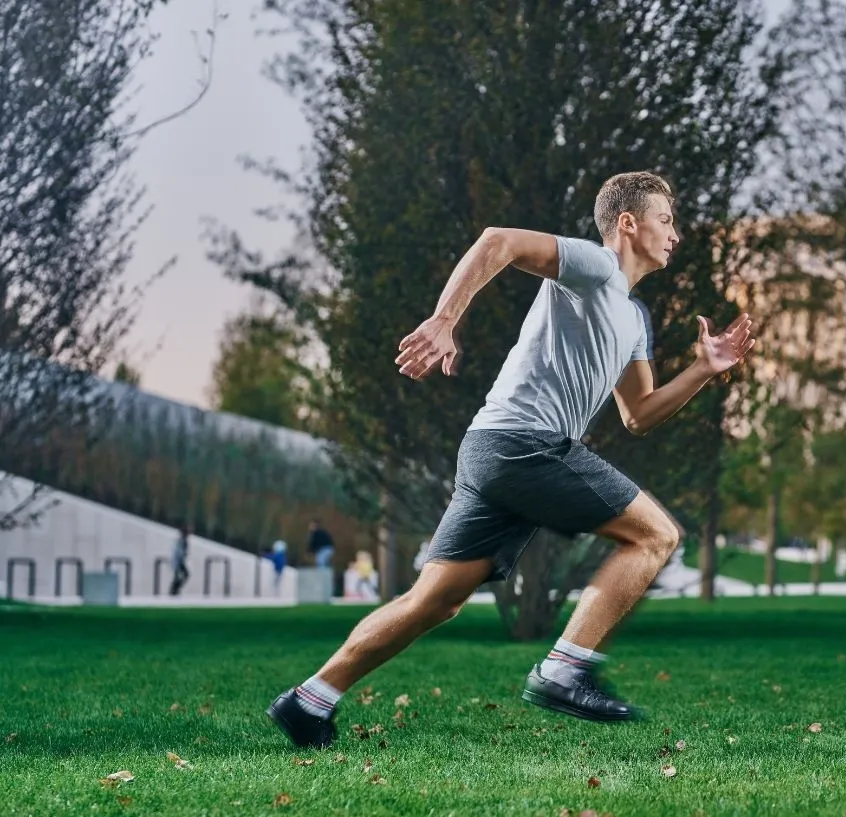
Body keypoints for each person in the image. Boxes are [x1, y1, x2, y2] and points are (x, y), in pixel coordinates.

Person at [266, 172, 755, 749]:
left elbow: (640, 413)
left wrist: (703, 370)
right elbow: (498, 240)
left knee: (436, 601)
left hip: (493, 449)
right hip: (525, 443)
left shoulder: (634, 318)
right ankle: (564, 670)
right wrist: (444, 320)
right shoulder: (594, 266)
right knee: (655, 536)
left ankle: (309, 701)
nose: (676, 233)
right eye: (666, 220)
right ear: (628, 223)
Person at [169, 525, 191, 596]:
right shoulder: (181, 540)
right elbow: (178, 551)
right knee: (181, 575)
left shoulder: (183, 540)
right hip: (178, 561)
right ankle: (174, 591)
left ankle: (174, 590)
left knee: (182, 575)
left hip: (180, 561)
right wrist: (182, 556)